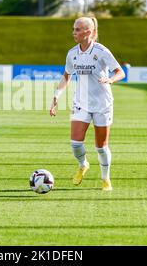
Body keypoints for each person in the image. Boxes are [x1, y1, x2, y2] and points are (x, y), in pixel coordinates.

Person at [49, 17, 126, 191]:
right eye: (73, 29)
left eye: (77, 29)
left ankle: (105, 178)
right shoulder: (72, 54)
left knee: (101, 146)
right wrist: (56, 96)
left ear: (88, 32)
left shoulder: (102, 51)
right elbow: (66, 76)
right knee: (75, 143)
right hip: (81, 103)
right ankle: (83, 164)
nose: (73, 33)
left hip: (102, 104)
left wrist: (111, 79)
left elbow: (120, 72)